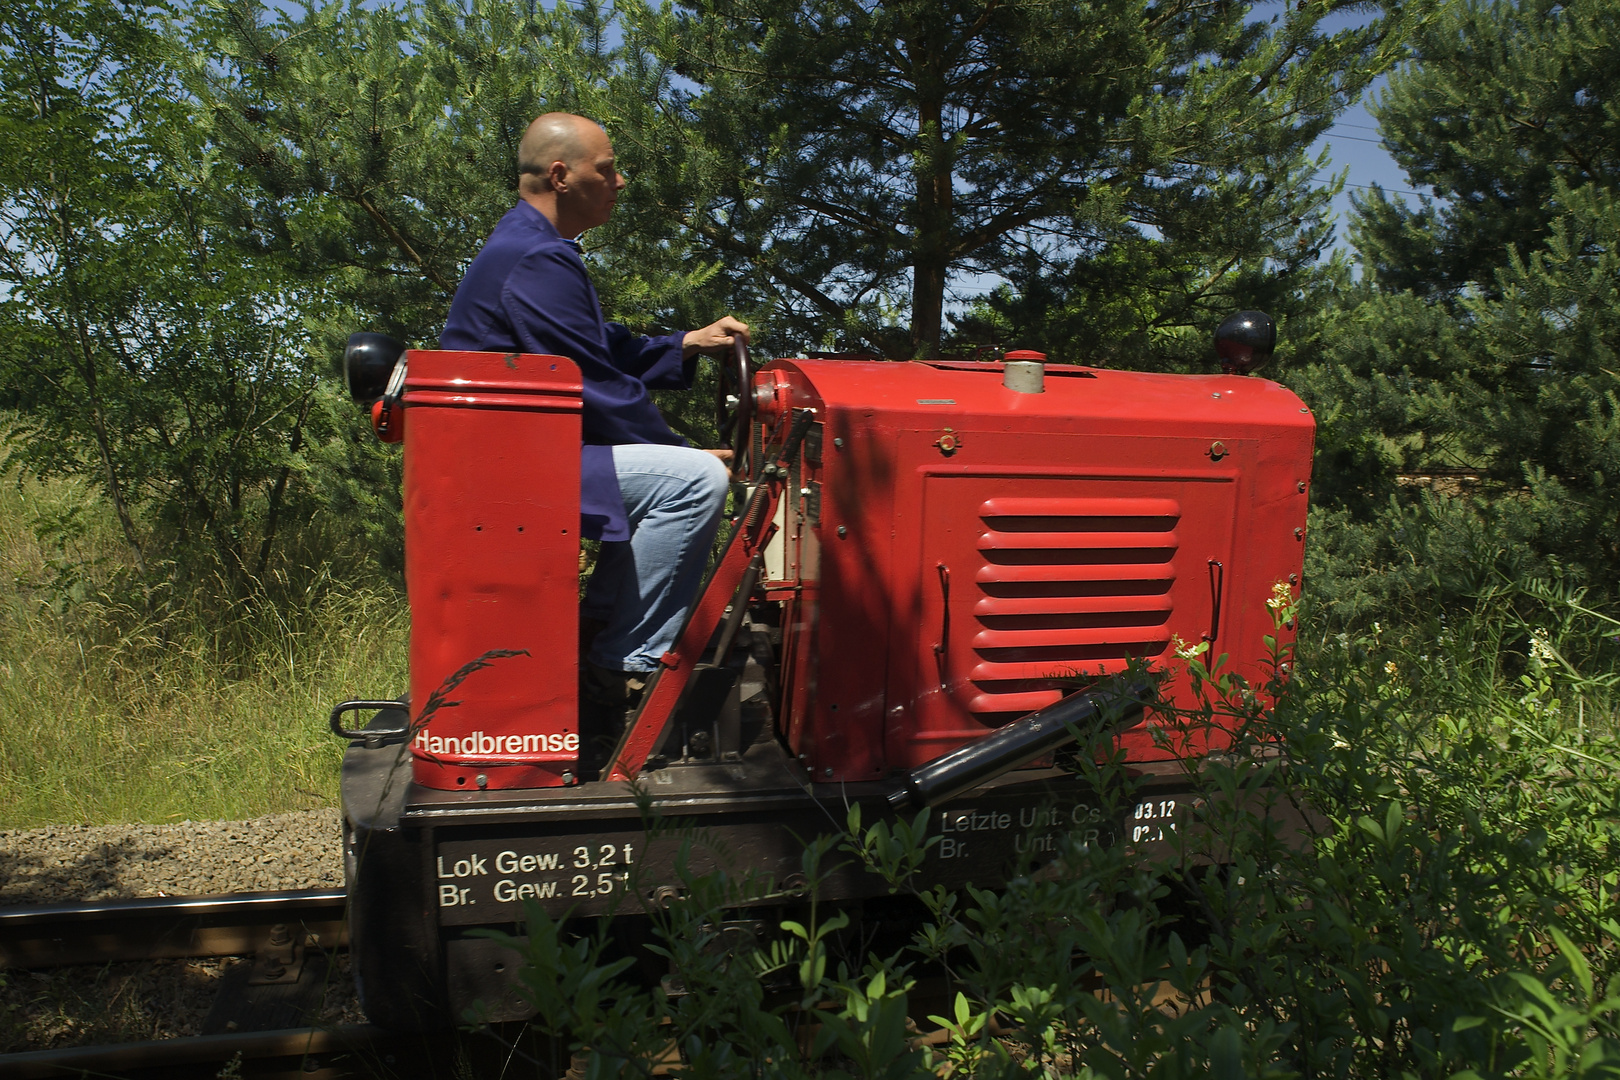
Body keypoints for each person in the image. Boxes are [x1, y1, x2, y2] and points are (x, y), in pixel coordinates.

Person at [439, 112, 748, 771]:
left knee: (670, 480)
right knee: (692, 484)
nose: (619, 182)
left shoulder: (531, 246)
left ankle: (600, 645)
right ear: (560, 175)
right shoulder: (536, 256)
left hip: (509, 456)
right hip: (505, 467)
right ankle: (623, 677)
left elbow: (595, 350)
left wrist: (685, 343)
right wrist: (685, 452)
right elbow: (591, 385)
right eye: (607, 170)